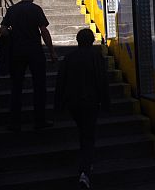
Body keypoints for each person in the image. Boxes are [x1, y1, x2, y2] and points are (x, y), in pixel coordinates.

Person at [54, 28, 110, 189]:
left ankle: (85, 166)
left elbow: (61, 82)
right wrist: (106, 103)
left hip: (73, 103)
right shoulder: (96, 57)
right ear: (92, 41)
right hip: (91, 102)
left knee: (84, 131)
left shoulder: (69, 58)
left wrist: (58, 105)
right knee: (88, 135)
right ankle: (85, 171)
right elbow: (102, 81)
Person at [0, 0, 57, 131]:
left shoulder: (12, 10)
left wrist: (11, 33)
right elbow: (44, 31)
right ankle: (39, 120)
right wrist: (51, 51)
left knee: (16, 87)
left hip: (16, 53)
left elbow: (3, 30)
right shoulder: (36, 9)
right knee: (39, 86)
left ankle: (15, 122)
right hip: (35, 52)